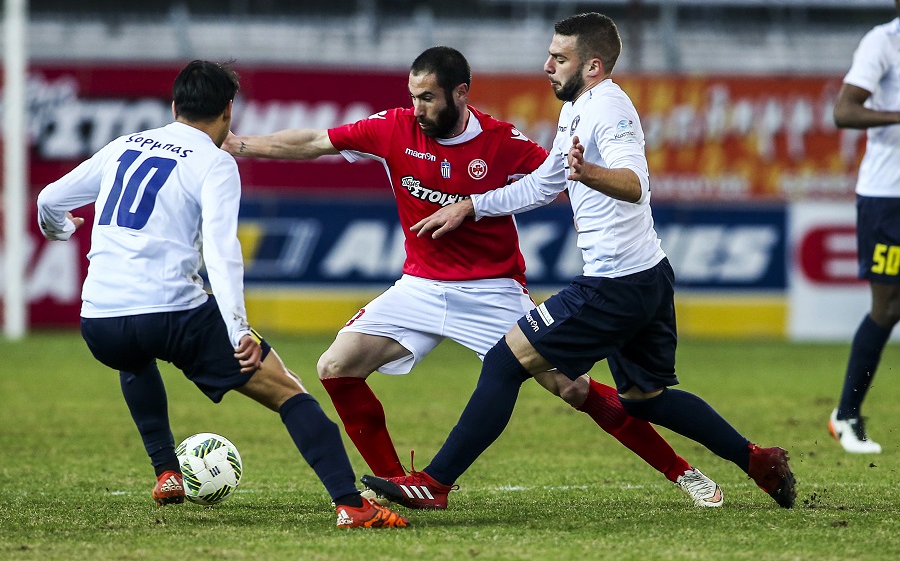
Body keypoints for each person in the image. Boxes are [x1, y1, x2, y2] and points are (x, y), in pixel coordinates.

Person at [224, 45, 724, 507]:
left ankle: (683, 472)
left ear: (460, 93)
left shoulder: (503, 142)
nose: (417, 109)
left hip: (493, 291)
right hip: (419, 286)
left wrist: (608, 216)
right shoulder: (392, 128)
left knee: (573, 388)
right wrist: (238, 144)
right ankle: (398, 484)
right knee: (336, 365)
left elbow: (558, 182)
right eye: (412, 97)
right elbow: (313, 141)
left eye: (427, 98)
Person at [361, 13, 797, 510]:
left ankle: (435, 484)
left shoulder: (608, 109)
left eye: (559, 58)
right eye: (550, 54)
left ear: (592, 65)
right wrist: (472, 206)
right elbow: (545, 181)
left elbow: (633, 184)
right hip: (646, 277)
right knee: (644, 400)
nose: (547, 66)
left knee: (506, 360)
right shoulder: (577, 108)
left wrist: (587, 171)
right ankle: (757, 459)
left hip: (615, 284)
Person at [36, 60, 408, 529]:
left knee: (133, 358)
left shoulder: (122, 146)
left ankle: (167, 471)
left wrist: (60, 231)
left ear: (174, 106)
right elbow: (221, 250)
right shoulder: (214, 162)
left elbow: (49, 199)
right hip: (172, 314)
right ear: (229, 111)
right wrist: (239, 329)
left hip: (100, 322)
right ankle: (351, 505)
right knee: (289, 393)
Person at [827, 0, 900, 455]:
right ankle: (846, 415)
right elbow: (844, 111)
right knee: (888, 306)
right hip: (888, 198)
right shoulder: (884, 42)